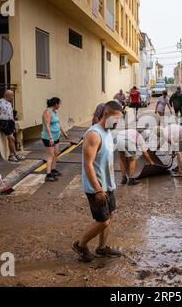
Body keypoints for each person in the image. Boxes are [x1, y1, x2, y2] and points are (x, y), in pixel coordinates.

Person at [72, 101, 124, 263]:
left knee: (111, 214)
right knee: (103, 221)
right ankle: (80, 245)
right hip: (96, 186)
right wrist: (97, 189)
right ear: (107, 114)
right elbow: (88, 164)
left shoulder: (108, 132)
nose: (118, 123)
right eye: (116, 119)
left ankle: (102, 249)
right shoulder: (94, 134)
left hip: (107, 184)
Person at [41, 97, 69, 182]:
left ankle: (53, 170)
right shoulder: (47, 112)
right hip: (49, 137)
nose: (59, 105)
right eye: (59, 104)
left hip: (56, 136)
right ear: (55, 104)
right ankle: (48, 175)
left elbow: (58, 123)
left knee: (56, 153)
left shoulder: (55, 112)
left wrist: (64, 133)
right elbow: (47, 126)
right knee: (51, 155)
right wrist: (50, 137)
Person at [0, 90, 24, 162]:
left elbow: (10, 114)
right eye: (12, 95)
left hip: (10, 122)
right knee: (12, 138)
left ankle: (11, 155)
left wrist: (14, 123)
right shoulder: (0, 101)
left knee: (11, 139)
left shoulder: (9, 103)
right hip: (4, 122)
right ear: (7, 95)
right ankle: (15, 154)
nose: (13, 97)